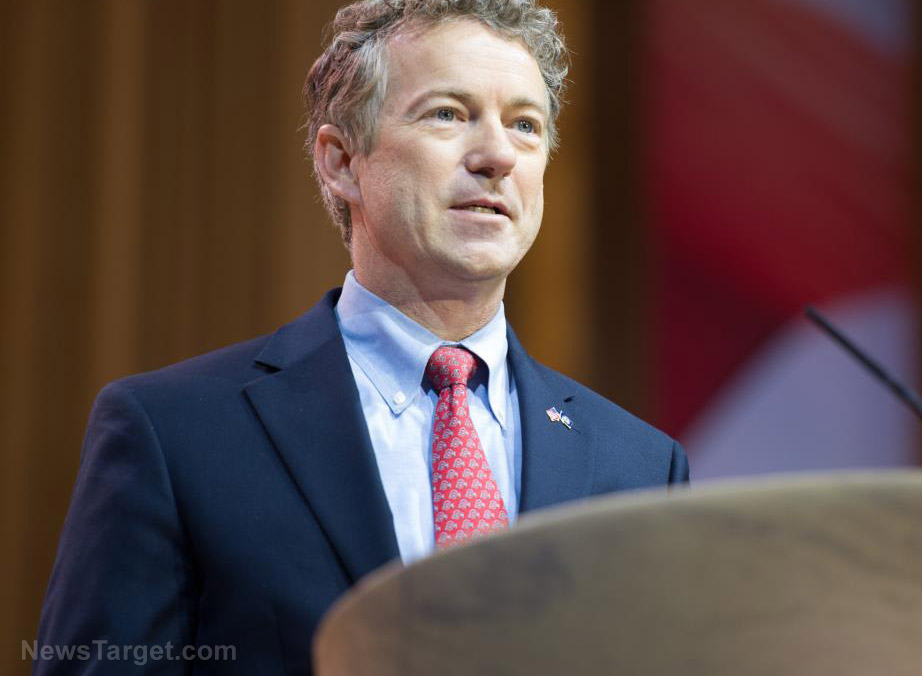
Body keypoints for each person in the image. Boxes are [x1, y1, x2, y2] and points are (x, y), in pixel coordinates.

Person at [34, 1, 688, 674]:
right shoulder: (177, 434)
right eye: (448, 113)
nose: (497, 155)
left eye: (525, 125)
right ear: (342, 161)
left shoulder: (641, 468)